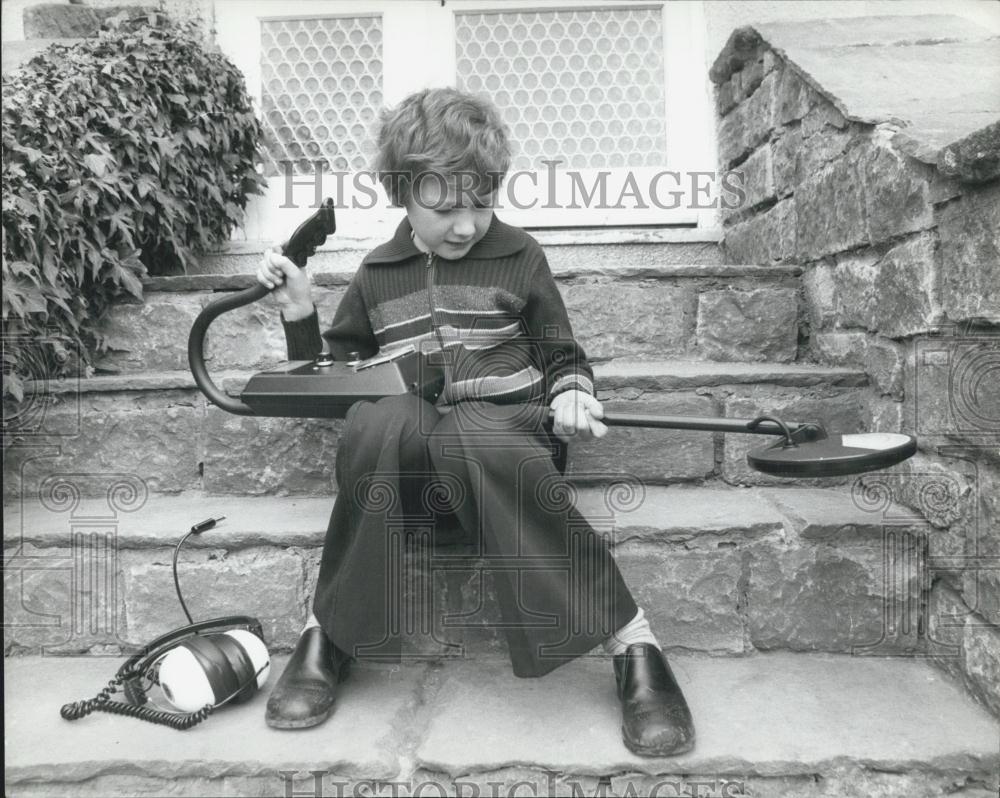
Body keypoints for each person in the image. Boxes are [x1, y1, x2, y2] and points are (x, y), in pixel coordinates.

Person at [255, 87, 694, 757]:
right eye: (445, 209)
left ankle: (632, 639)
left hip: (504, 455)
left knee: (474, 429)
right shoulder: (377, 272)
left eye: (481, 204)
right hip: (409, 477)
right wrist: (298, 313)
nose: (465, 226)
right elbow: (337, 381)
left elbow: (563, 356)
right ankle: (332, 632)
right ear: (403, 193)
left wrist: (573, 396)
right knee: (381, 419)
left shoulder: (519, 257)